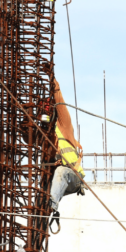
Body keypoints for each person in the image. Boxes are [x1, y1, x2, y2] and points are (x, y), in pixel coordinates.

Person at [47, 79, 86, 213]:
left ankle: (52, 203)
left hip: (73, 176)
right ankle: (46, 206)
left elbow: (60, 104)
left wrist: (53, 82)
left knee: (61, 171)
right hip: (57, 181)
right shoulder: (45, 135)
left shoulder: (63, 126)